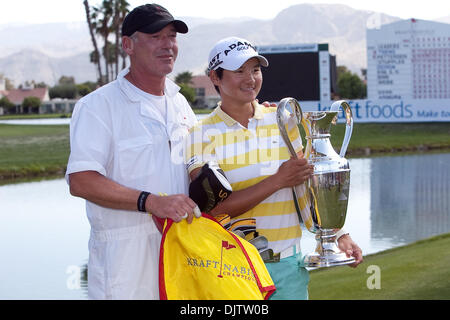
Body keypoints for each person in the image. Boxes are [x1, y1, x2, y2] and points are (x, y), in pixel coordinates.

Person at [185, 36, 363, 300]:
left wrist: (337, 234)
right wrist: (278, 181)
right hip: (232, 268)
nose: (250, 78)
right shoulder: (199, 134)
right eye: (239, 71)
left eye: (255, 70)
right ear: (215, 77)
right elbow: (213, 208)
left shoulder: (283, 120)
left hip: (287, 266)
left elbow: (305, 186)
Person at [66, 4, 199, 299]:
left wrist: (254, 115)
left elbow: (199, 166)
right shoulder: (97, 106)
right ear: (128, 45)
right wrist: (150, 202)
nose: (167, 45)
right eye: (155, 36)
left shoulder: (181, 104)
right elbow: (82, 181)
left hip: (181, 253)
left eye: (172, 36)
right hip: (124, 263)